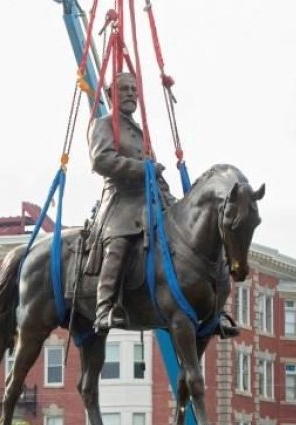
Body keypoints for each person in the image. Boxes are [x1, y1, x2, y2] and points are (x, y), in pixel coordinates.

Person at [86, 71, 239, 337]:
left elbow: (153, 171)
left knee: (194, 236)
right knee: (120, 243)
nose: (132, 93)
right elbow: (101, 160)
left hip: (153, 198)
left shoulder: (138, 129)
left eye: (135, 89)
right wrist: (141, 168)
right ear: (111, 95)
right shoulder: (102, 124)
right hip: (122, 200)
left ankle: (215, 309)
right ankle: (105, 305)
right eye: (125, 89)